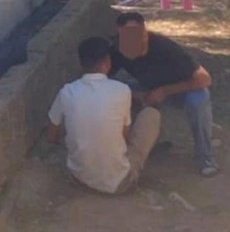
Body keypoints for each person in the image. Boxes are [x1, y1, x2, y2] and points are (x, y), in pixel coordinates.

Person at [109, 12, 219, 177]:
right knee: (117, 92)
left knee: (199, 99)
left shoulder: (166, 49)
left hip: (179, 89)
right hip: (145, 87)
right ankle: (137, 147)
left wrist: (163, 91)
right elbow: (104, 79)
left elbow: (204, 79)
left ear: (145, 34)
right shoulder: (117, 50)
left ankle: (206, 157)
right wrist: (135, 95)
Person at [46, 37, 161, 194]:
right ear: (107, 62)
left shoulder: (67, 92)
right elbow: (124, 136)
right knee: (151, 114)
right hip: (119, 183)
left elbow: (51, 136)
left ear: (81, 63)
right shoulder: (122, 90)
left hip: (79, 177)